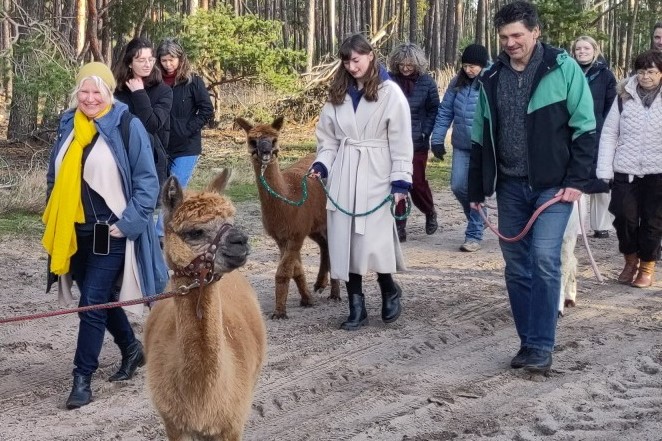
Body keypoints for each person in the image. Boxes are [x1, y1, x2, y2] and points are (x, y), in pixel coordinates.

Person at [468, 1, 596, 372]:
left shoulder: (563, 67)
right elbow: (480, 137)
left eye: (517, 35)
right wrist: (477, 191)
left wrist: (576, 181)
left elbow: (586, 126)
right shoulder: (491, 78)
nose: (510, 43)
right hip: (509, 186)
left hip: (553, 188)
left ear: (535, 31)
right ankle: (528, 342)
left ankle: (541, 345)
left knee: (543, 258)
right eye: (504, 37)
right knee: (516, 266)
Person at [42, 62, 169, 409]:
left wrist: (128, 223)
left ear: (109, 92)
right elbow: (54, 175)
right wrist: (52, 214)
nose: (90, 97)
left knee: (92, 304)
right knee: (96, 300)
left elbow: (147, 182)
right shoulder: (69, 124)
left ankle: (82, 378)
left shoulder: (127, 125)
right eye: (84, 90)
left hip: (110, 233)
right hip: (73, 230)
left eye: (97, 90)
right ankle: (131, 348)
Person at [309, 33, 413, 331]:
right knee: (343, 239)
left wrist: (400, 184)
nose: (352, 67)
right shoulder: (337, 94)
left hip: (377, 172)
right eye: (346, 62)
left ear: (370, 56)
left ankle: (389, 289)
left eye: (356, 60)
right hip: (344, 170)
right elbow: (328, 140)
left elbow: (401, 141)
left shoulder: (390, 93)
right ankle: (357, 306)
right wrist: (321, 164)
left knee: (373, 240)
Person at [596, 49, 662, 288]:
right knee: (624, 217)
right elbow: (609, 134)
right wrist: (604, 169)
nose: (645, 76)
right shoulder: (623, 97)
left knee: (654, 222)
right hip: (626, 169)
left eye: (652, 71)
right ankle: (630, 260)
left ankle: (647, 267)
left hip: (658, 173)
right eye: (642, 71)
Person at [431, 43, 489, 252]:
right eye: (465, 65)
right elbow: (445, 111)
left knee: (476, 190)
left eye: (473, 66)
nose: (469, 70)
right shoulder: (457, 82)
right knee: (457, 186)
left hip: (484, 147)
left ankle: (473, 234)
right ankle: (479, 217)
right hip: (462, 145)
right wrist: (437, 139)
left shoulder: (492, 81)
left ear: (482, 65)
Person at [154, 38, 214, 238]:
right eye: (164, 60)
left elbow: (206, 110)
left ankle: (161, 235)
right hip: (162, 146)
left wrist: (188, 129)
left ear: (180, 59)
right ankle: (181, 226)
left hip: (187, 147)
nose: (168, 64)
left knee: (175, 188)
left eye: (172, 59)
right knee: (163, 190)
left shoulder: (193, 82)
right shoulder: (155, 83)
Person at [388, 43, 440, 242]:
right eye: (402, 64)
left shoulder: (427, 83)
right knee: (398, 182)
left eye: (409, 64)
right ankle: (400, 225)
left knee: (416, 183)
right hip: (393, 140)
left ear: (417, 63)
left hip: (417, 141)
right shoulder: (390, 81)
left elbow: (434, 108)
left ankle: (429, 211)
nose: (405, 68)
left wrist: (426, 131)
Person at [113, 37, 173, 192]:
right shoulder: (116, 92)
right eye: (141, 60)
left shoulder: (163, 91)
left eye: (150, 59)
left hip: (151, 162)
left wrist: (139, 93)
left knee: (147, 211)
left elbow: (152, 125)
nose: (147, 65)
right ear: (129, 63)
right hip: (121, 160)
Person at [571, 36, 617, 238]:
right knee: (576, 177)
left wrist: (606, 129)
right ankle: (576, 225)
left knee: (601, 179)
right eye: (578, 48)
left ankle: (601, 225)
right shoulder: (568, 72)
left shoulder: (606, 75)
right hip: (573, 132)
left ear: (595, 50)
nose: (582, 51)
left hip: (599, 132)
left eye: (586, 48)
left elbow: (612, 105)